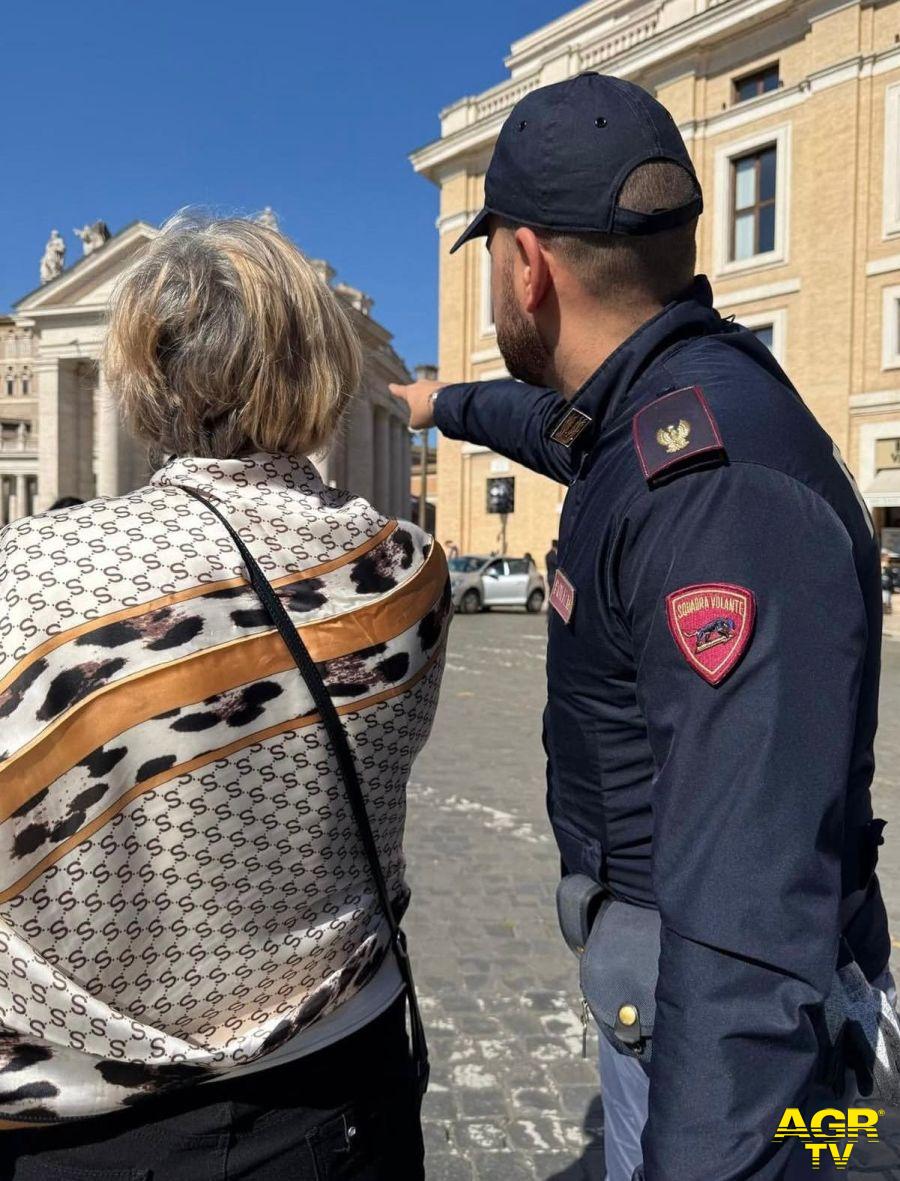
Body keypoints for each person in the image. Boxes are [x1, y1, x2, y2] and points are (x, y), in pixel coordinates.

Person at [391, 73, 893, 1180]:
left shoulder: (709, 492)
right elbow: (553, 424)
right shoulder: (665, 400)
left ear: (527, 264)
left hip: (720, 1041)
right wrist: (439, 406)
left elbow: (746, 920)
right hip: (676, 995)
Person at [0, 214, 450, 1179]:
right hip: (337, 1085)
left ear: (140, 378)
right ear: (320, 368)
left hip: (86, 1122)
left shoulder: (25, 573)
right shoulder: (404, 568)